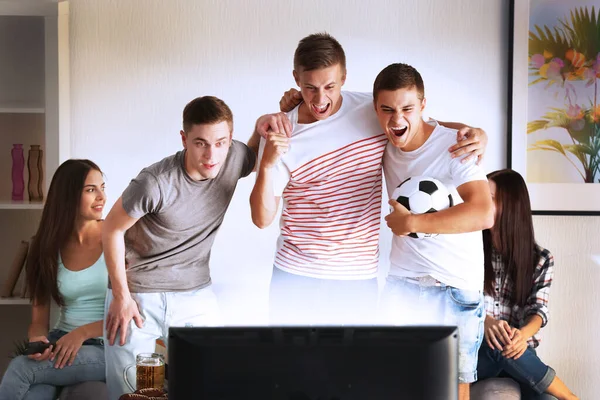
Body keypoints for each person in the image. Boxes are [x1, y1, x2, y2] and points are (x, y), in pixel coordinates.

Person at [249, 32, 488, 326]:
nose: (320, 99)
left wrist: (475, 133)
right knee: (289, 370)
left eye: (330, 86)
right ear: (296, 78)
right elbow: (262, 219)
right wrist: (267, 164)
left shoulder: (372, 110)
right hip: (296, 274)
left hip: (357, 279)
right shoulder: (282, 130)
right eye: (310, 88)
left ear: (345, 77)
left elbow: (421, 127)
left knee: (353, 371)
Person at [102, 96, 256, 400]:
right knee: (133, 393)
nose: (212, 155)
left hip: (195, 294)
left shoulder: (234, 156)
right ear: (184, 139)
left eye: (221, 142)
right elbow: (110, 229)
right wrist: (121, 297)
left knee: (212, 383)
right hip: (138, 296)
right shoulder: (154, 182)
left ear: (230, 139)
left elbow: (256, 153)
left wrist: (285, 107)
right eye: (200, 143)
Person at [375, 63, 494, 400]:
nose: (397, 119)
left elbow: (483, 212)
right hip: (402, 283)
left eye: (407, 109)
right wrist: (295, 99)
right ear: (375, 108)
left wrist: (413, 223)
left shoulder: (455, 147)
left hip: (453, 288)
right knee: (389, 385)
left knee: (452, 393)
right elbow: (329, 99)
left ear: (423, 106)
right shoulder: (383, 138)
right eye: (387, 109)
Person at [0, 159, 107, 400]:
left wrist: (81, 334)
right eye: (91, 190)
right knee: (33, 395)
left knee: (20, 370)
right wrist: (38, 339)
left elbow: (135, 315)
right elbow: (39, 320)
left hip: (104, 347)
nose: (101, 196)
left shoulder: (116, 239)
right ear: (67, 196)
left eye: (102, 187)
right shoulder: (46, 246)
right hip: (60, 342)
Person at [476, 169, 578, 400]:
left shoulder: (541, 259)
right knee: (498, 343)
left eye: (490, 198)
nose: (481, 202)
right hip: (478, 358)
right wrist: (486, 322)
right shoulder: (469, 252)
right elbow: (456, 304)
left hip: (520, 355)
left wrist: (522, 335)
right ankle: (571, 397)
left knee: (547, 399)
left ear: (510, 205)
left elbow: (538, 311)